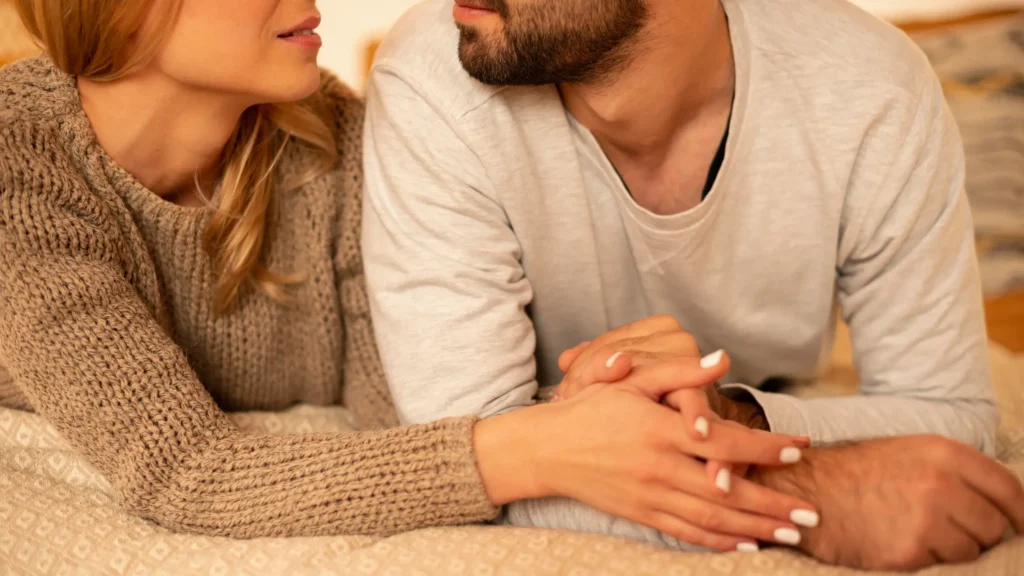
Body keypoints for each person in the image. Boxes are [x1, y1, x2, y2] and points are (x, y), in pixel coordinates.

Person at [0, 0, 811, 544]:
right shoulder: (18, 162)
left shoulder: (330, 133)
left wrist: (586, 403)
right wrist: (536, 448)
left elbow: (402, 422)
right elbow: (186, 472)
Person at [361, 0, 1024, 569]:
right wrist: (803, 491)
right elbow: (463, 463)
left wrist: (735, 416)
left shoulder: (871, 88)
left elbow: (951, 415)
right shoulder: (431, 77)